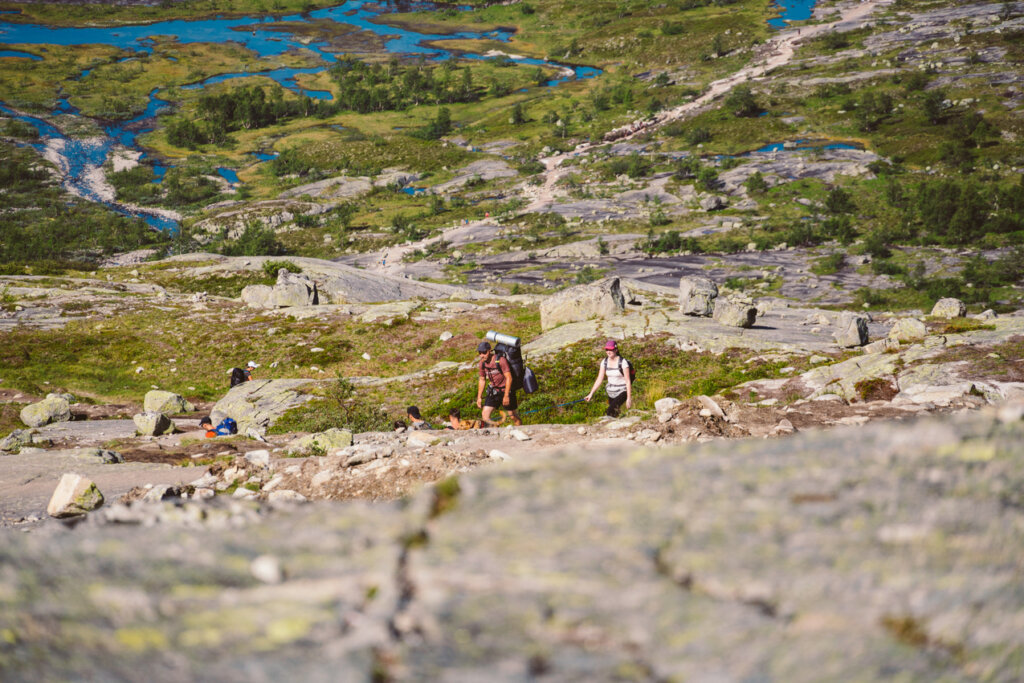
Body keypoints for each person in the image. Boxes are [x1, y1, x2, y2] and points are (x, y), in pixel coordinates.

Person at [476, 341, 522, 426]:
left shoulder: (500, 360)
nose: (482, 355)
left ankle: (520, 430)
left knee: (512, 416)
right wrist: (479, 397)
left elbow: (509, 377)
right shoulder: (482, 363)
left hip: (506, 390)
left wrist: (506, 395)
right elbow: (482, 379)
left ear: (489, 351)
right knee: (485, 415)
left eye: (484, 352)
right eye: (480, 353)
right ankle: (493, 433)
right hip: (493, 391)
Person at [584, 340, 633, 417]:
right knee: (615, 413)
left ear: (616, 350)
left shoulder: (623, 362)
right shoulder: (604, 362)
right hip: (611, 392)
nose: (608, 352)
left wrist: (629, 398)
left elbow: (628, 381)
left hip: (622, 391)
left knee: (610, 412)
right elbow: (599, 379)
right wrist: (591, 394)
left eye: (611, 349)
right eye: (607, 349)